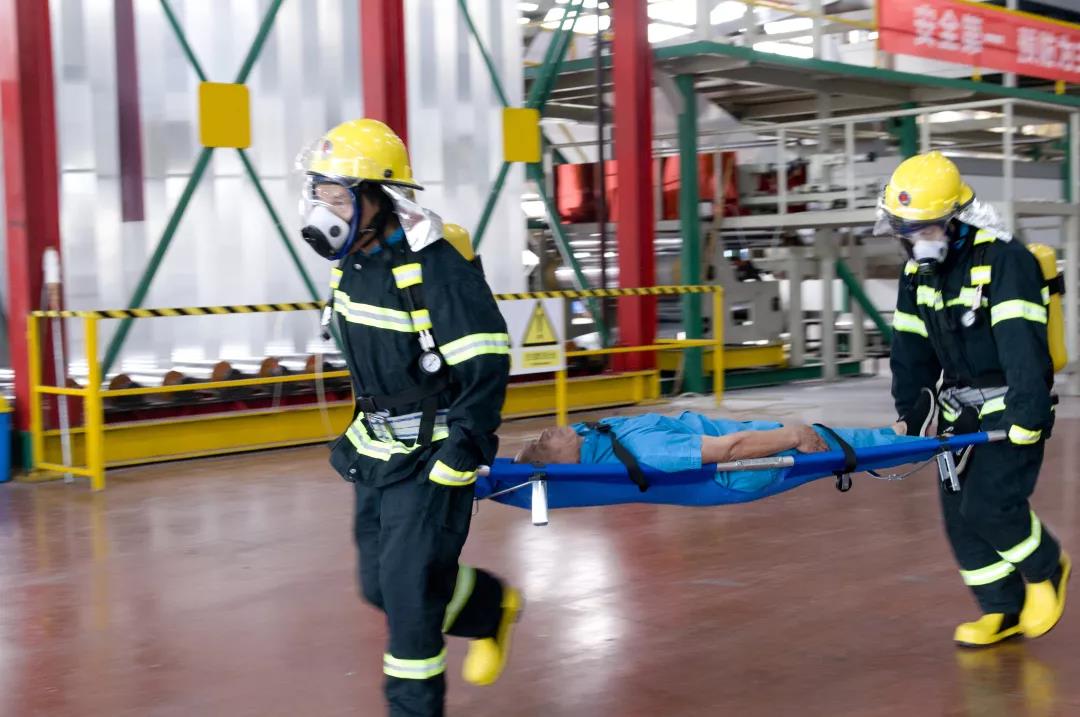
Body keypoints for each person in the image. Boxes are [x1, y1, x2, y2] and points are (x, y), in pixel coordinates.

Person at [297, 118, 521, 716]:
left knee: (408, 602)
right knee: (380, 585)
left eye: (339, 198)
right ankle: (488, 607)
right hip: (376, 450)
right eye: (321, 196)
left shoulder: (435, 267)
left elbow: (486, 360)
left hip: (432, 454)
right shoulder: (352, 264)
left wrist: (464, 449)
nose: (326, 211)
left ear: (378, 197)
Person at [881, 151, 1070, 647]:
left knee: (989, 505)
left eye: (924, 228)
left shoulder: (1005, 260)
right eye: (906, 230)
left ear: (956, 219)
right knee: (958, 518)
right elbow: (910, 350)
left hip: (1010, 405)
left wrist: (1028, 415)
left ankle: (1047, 568)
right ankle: (1002, 610)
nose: (915, 240)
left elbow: (1022, 346)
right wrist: (910, 416)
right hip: (957, 410)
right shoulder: (917, 274)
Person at [514, 411, 922, 493]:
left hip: (736, 438)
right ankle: (925, 445)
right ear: (563, 462)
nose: (543, 434)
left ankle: (897, 433)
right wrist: (793, 434)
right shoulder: (648, 450)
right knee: (820, 440)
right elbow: (730, 449)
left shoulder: (593, 436)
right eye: (541, 445)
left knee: (829, 434)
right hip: (745, 465)